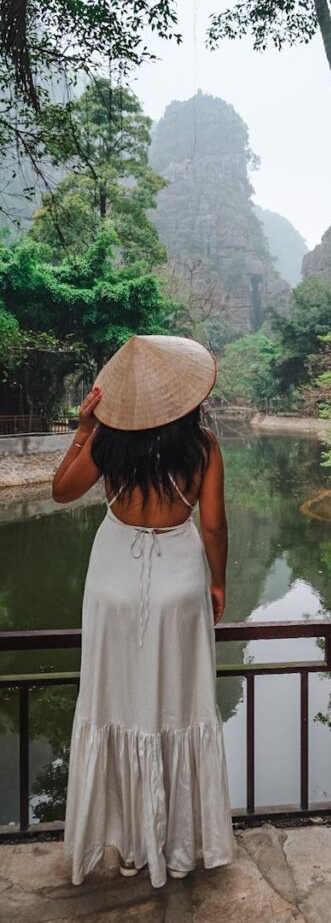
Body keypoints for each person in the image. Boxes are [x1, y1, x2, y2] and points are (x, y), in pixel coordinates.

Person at [54, 334, 234, 888]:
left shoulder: (108, 445)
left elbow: (62, 491)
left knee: (118, 704)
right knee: (175, 706)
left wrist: (84, 429)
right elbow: (212, 527)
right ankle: (178, 851)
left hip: (112, 583)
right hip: (179, 585)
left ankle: (129, 846)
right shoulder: (202, 446)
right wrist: (220, 582)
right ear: (185, 396)